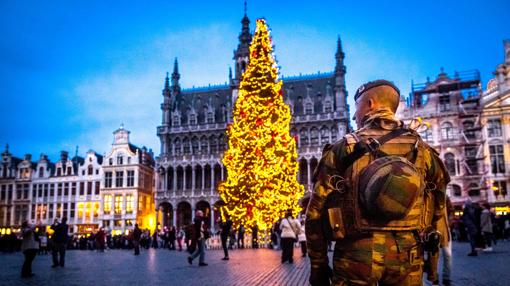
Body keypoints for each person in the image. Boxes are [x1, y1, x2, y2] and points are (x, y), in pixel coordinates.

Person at [306, 80, 449, 285]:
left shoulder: (343, 149)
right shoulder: (423, 150)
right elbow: (438, 204)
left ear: (370, 103)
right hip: (407, 255)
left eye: (357, 107)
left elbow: (315, 213)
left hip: (355, 257)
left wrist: (318, 265)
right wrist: (432, 260)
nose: (355, 115)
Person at [425, 196, 453, 286]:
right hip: (432, 231)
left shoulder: (445, 197)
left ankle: (446, 278)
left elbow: (451, 210)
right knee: (433, 257)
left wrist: (449, 222)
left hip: (445, 230)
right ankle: (434, 279)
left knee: (448, 255)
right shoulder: (428, 196)